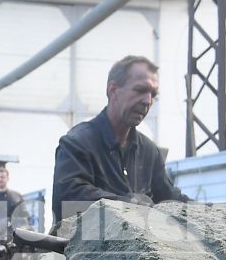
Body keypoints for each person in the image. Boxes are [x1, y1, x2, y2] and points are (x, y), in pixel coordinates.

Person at [51, 55, 189, 226]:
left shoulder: (149, 152)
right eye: (140, 90)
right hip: (83, 249)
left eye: (153, 94)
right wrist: (128, 205)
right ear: (113, 90)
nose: (148, 101)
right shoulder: (77, 144)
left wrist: (212, 212)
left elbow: (171, 199)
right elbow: (68, 202)